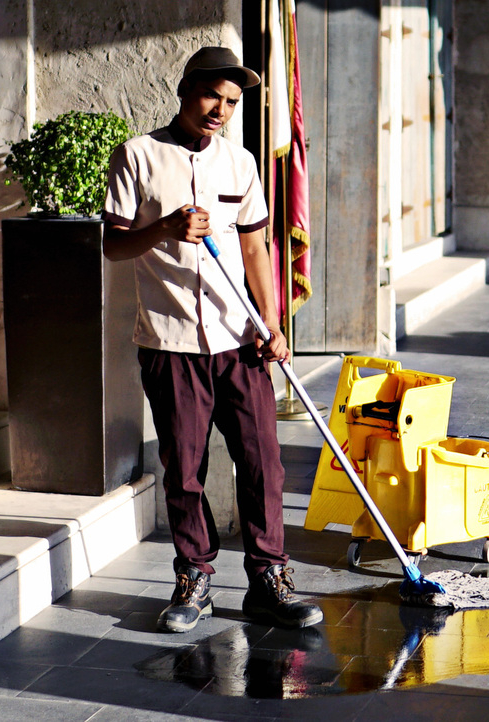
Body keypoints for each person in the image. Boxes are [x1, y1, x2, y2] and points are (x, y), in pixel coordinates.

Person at [102, 46, 323, 633]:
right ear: (185, 90)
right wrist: (165, 228)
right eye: (211, 97)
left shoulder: (240, 163)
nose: (220, 110)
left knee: (262, 464)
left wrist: (274, 323)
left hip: (239, 338)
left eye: (231, 102)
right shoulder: (138, 156)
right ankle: (193, 579)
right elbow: (113, 245)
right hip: (170, 339)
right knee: (186, 469)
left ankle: (269, 579)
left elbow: (257, 249)